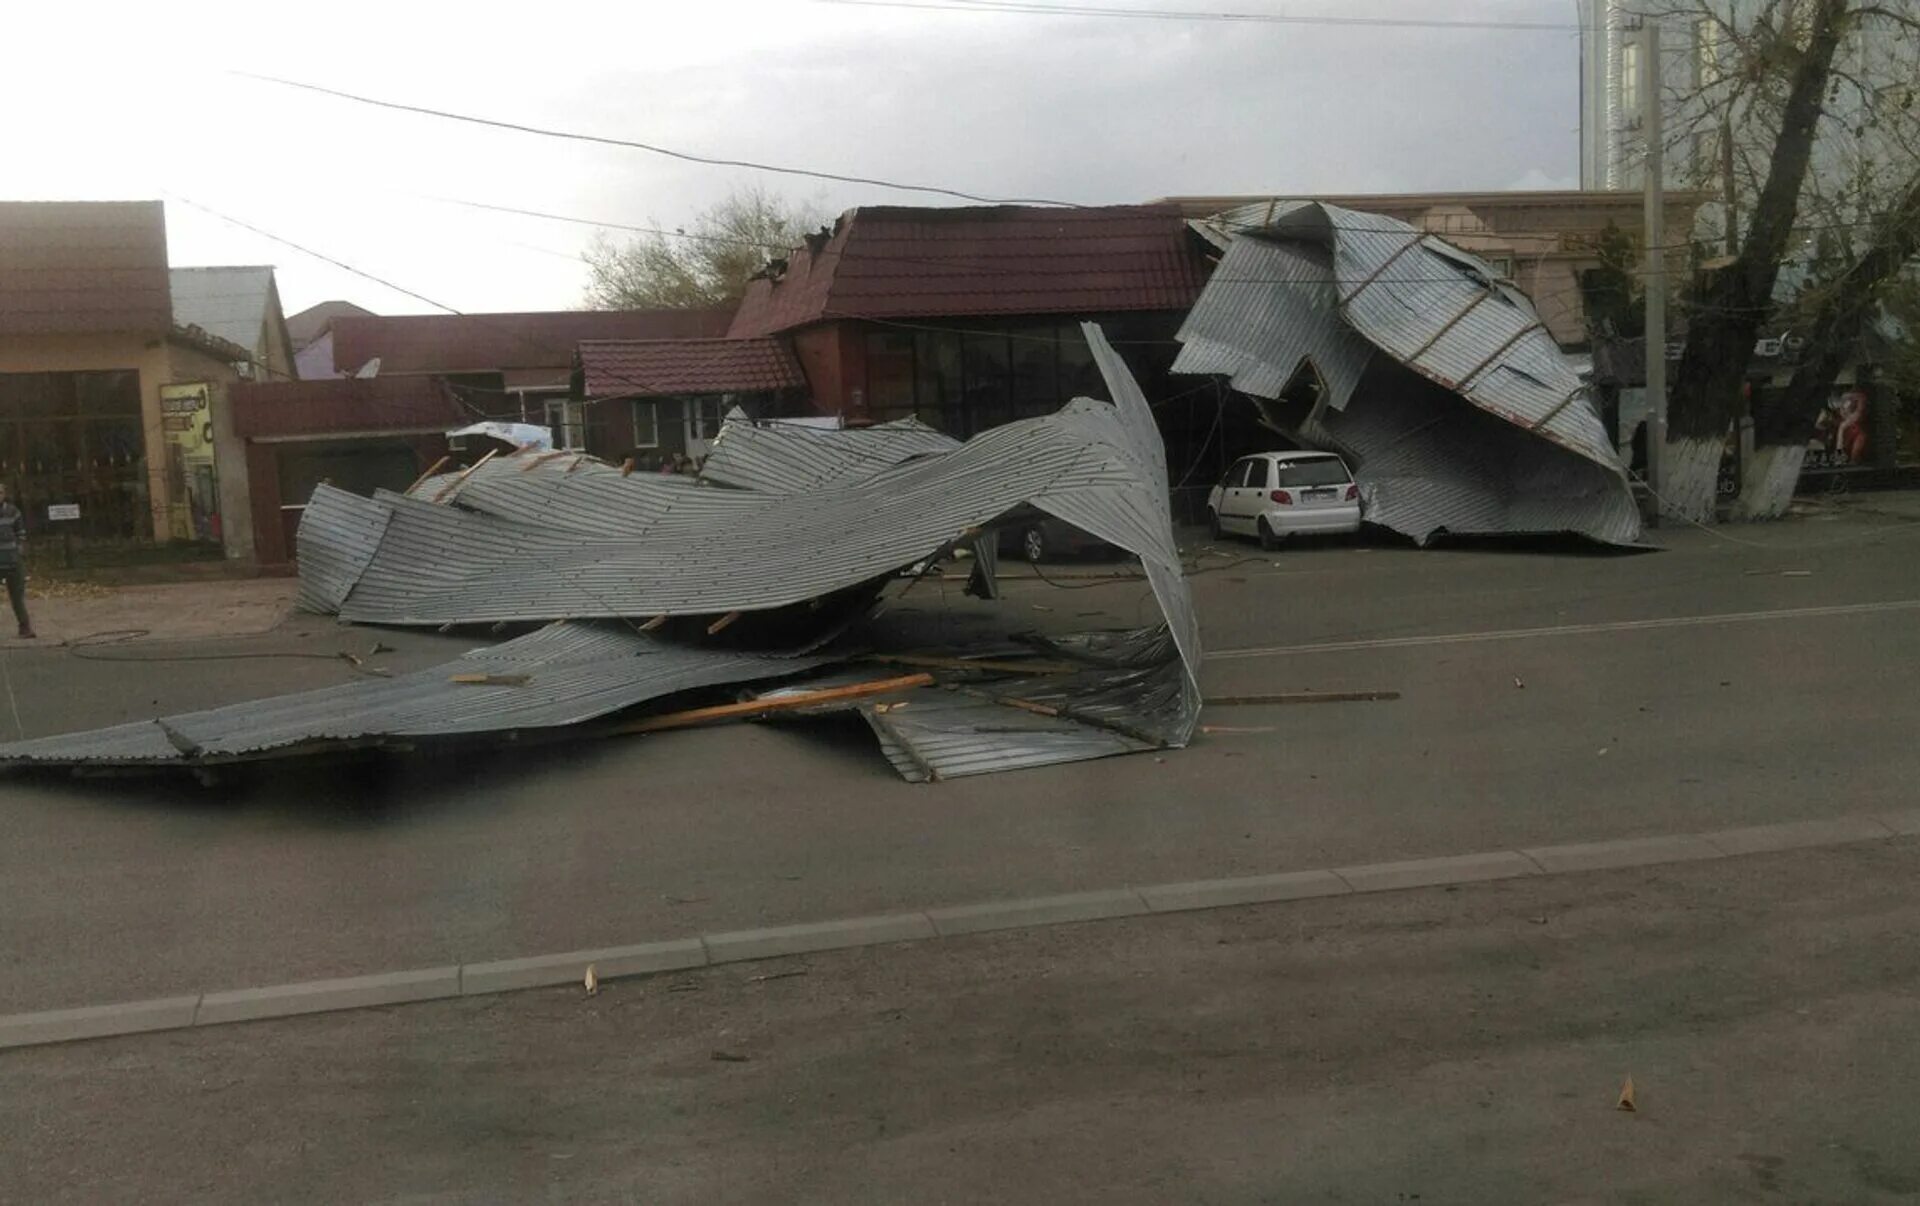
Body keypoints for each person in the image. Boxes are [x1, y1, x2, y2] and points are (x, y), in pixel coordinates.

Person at [0, 485, 32, 638]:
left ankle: (25, 627)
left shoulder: (13, 511)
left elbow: (21, 532)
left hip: (13, 561)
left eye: (0, 492)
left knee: (17, 597)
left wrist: (19, 550)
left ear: (4, 494)